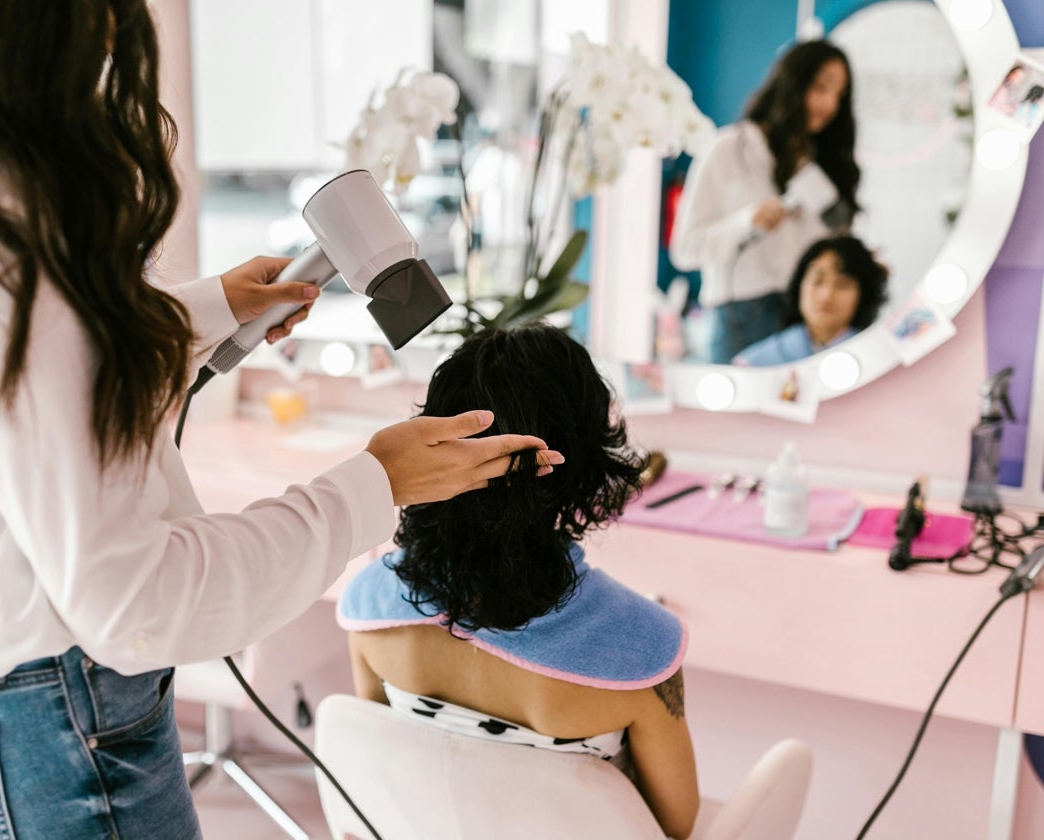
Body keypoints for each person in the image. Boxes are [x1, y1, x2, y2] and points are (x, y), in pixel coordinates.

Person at [0, 3, 564, 838]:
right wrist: (375, 483)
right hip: (41, 734)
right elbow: (138, 599)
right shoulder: (15, 266)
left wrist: (190, 315)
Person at [337, 324, 699, 840]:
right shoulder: (643, 653)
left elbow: (387, 771)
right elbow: (675, 826)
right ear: (582, 464)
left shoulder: (369, 606)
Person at [670, 40, 860, 364]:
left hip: (805, 320)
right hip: (740, 316)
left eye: (839, 96)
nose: (829, 104)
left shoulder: (819, 165)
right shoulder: (728, 149)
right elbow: (685, 249)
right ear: (792, 82)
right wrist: (745, 224)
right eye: (820, 87)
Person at [733, 235, 889, 366]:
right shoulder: (754, 365)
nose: (826, 295)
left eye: (842, 284)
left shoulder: (879, 360)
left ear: (863, 294)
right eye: (817, 280)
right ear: (800, 284)